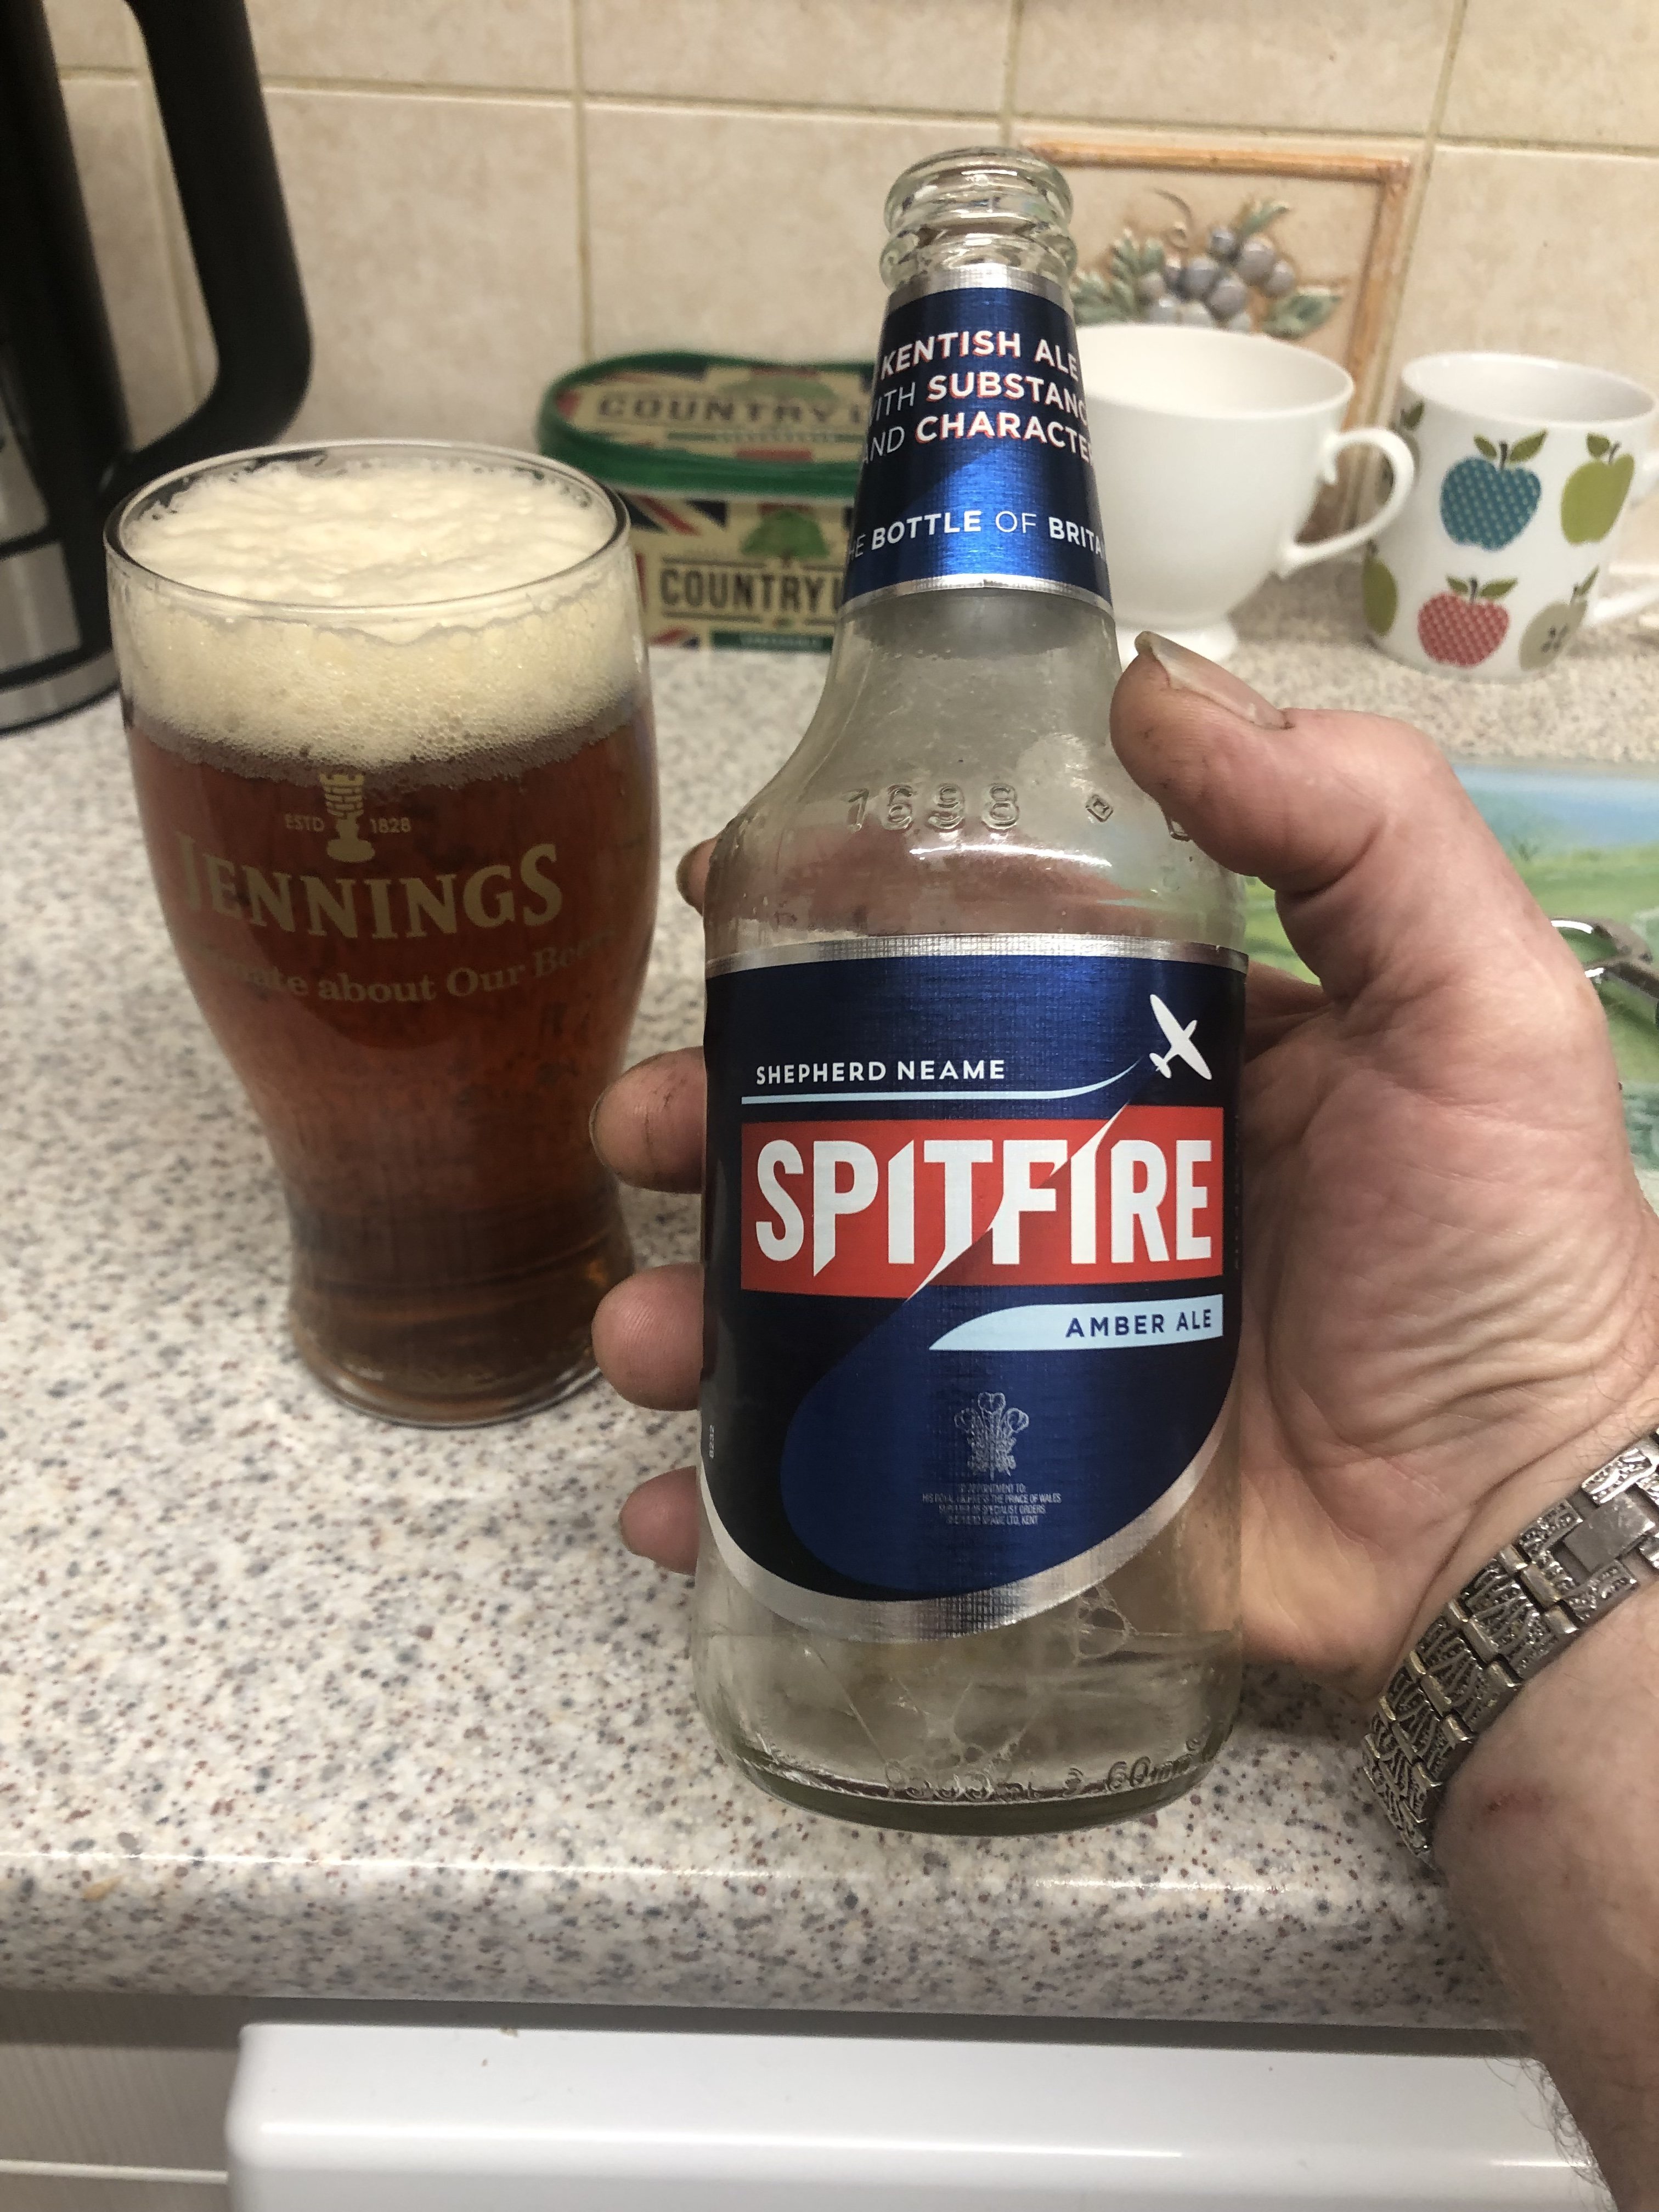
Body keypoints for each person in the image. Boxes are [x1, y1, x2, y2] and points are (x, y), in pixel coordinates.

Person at [589, 632, 1659, 2209]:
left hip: (1131, 1659)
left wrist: (1530, 1451)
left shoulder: (1117, 815)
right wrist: (1520, 1500)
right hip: (823, 1664)